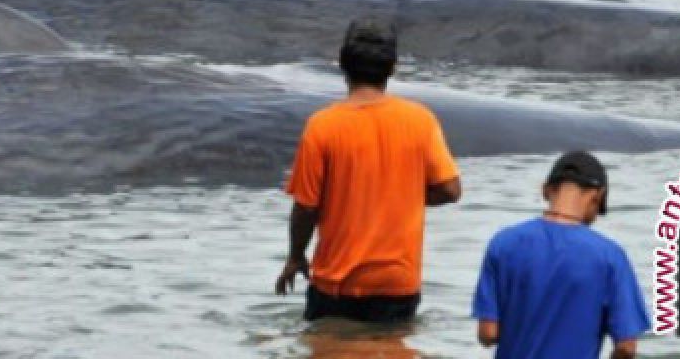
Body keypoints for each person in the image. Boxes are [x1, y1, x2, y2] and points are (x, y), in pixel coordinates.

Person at [274, 19, 462, 322]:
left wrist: (296, 257)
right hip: (398, 283)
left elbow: (306, 206)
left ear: (342, 65)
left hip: (337, 283)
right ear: (393, 68)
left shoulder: (323, 126)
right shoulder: (420, 121)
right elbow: (450, 190)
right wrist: (401, 192)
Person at [473, 151, 650, 359]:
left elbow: (488, 333)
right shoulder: (610, 256)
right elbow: (626, 347)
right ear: (597, 196)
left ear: (545, 190)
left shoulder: (503, 243)